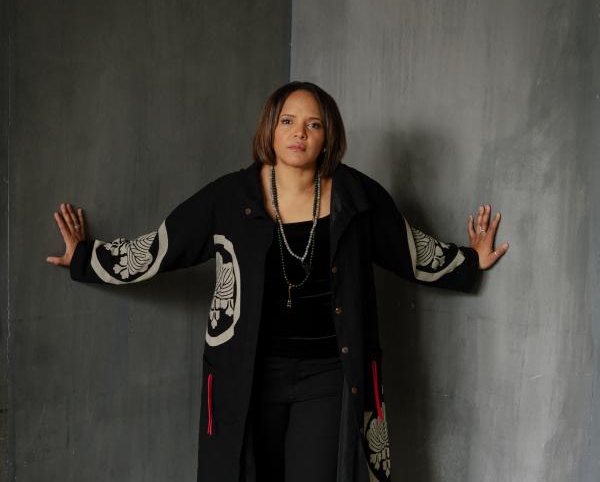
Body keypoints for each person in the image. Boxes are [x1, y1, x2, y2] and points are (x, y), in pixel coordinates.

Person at [47, 81, 508, 482]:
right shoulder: (230, 196)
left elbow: (408, 250)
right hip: (249, 374)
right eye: (288, 121)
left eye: (313, 124)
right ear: (270, 129)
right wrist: (85, 257)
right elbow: (161, 248)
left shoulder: (357, 197)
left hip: (328, 377)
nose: (298, 133)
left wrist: (470, 261)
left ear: (328, 137)